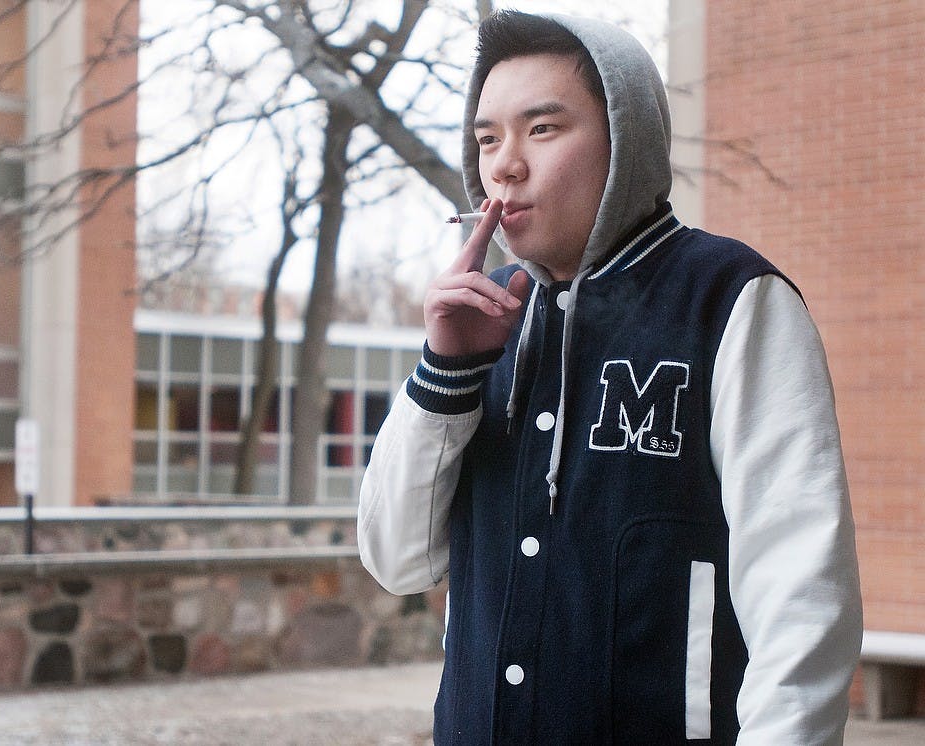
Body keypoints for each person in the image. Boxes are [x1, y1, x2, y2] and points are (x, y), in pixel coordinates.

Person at [358, 10, 862, 744]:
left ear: (626, 140)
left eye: (543, 129)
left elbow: (802, 598)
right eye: (487, 138)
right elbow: (397, 561)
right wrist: (446, 374)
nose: (504, 165)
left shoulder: (727, 298)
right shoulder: (482, 317)